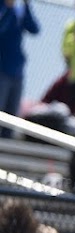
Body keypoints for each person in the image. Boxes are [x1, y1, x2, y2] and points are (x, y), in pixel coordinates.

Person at [0, 0, 40, 138]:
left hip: (17, 71)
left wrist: (27, 6)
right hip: (2, 70)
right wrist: (7, 8)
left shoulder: (20, 8)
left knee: (11, 116)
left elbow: (34, 29)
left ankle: (6, 145)